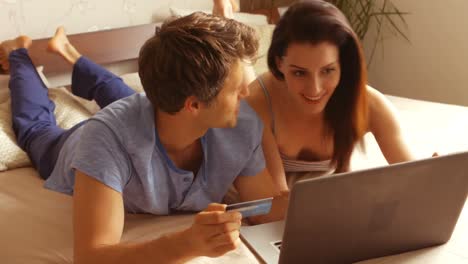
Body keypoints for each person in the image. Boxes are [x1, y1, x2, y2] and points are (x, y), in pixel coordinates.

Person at [0, 13, 287, 264]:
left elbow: (262, 207)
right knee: (35, 126)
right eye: (237, 90)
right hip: (71, 144)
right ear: (194, 104)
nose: (247, 96)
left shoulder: (239, 123)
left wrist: (318, 204)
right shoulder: (105, 140)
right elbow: (92, 257)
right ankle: (18, 54)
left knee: (121, 91)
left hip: (161, 115)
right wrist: (186, 243)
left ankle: (72, 56)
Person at [213, 0, 416, 193]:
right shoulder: (258, 103)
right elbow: (275, 201)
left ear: (342, 64)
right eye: (299, 72)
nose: (314, 89)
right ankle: (224, 18)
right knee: (237, 63)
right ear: (280, 63)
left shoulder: (371, 104)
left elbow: (415, 175)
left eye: (327, 71)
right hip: (266, 92)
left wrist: (433, 174)